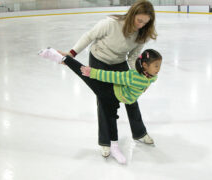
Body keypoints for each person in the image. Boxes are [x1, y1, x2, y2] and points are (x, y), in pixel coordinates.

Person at [58, 0, 157, 159]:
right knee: (104, 100)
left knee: (131, 98)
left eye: (145, 23)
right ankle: (105, 142)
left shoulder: (142, 35)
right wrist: (71, 54)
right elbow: (89, 36)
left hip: (119, 63)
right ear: (132, 14)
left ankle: (139, 132)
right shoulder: (111, 24)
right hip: (99, 60)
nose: (141, 25)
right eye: (139, 21)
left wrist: (139, 77)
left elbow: (132, 58)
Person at [38, 47, 162, 164]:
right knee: (84, 74)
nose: (158, 68)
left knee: (111, 117)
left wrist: (144, 88)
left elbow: (149, 82)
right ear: (145, 65)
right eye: (156, 65)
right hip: (108, 93)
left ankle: (60, 57)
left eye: (159, 65)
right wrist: (92, 72)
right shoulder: (132, 76)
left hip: (118, 97)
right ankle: (57, 56)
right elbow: (113, 76)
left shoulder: (152, 77)